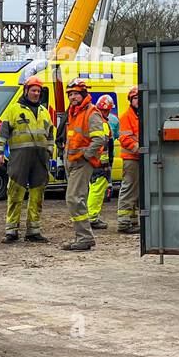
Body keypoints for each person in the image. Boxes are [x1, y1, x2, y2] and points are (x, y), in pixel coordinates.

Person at [0, 74, 53, 244]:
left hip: (40, 160)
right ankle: (11, 231)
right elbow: (3, 134)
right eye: (33, 90)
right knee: (15, 194)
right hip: (19, 159)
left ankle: (33, 231)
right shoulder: (14, 110)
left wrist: (49, 151)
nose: (36, 93)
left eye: (38, 91)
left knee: (37, 196)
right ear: (26, 91)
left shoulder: (44, 112)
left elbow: (50, 134)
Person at [62, 79, 109, 252]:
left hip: (82, 162)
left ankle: (84, 238)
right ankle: (83, 237)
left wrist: (87, 156)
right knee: (74, 199)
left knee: (74, 199)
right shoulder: (74, 113)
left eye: (75, 93)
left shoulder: (91, 112)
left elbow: (100, 139)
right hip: (73, 162)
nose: (72, 97)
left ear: (83, 94)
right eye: (70, 94)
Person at [86, 94, 120, 230]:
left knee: (94, 189)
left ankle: (91, 216)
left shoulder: (97, 120)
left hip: (96, 162)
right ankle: (92, 218)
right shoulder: (102, 124)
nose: (105, 112)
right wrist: (105, 163)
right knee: (97, 191)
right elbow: (105, 145)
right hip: (100, 164)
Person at [117, 85, 141, 233]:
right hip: (131, 158)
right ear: (130, 100)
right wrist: (140, 149)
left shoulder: (141, 114)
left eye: (139, 97)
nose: (138, 100)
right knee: (129, 188)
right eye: (135, 98)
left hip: (139, 157)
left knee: (137, 190)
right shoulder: (127, 116)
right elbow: (125, 138)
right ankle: (123, 223)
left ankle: (133, 220)